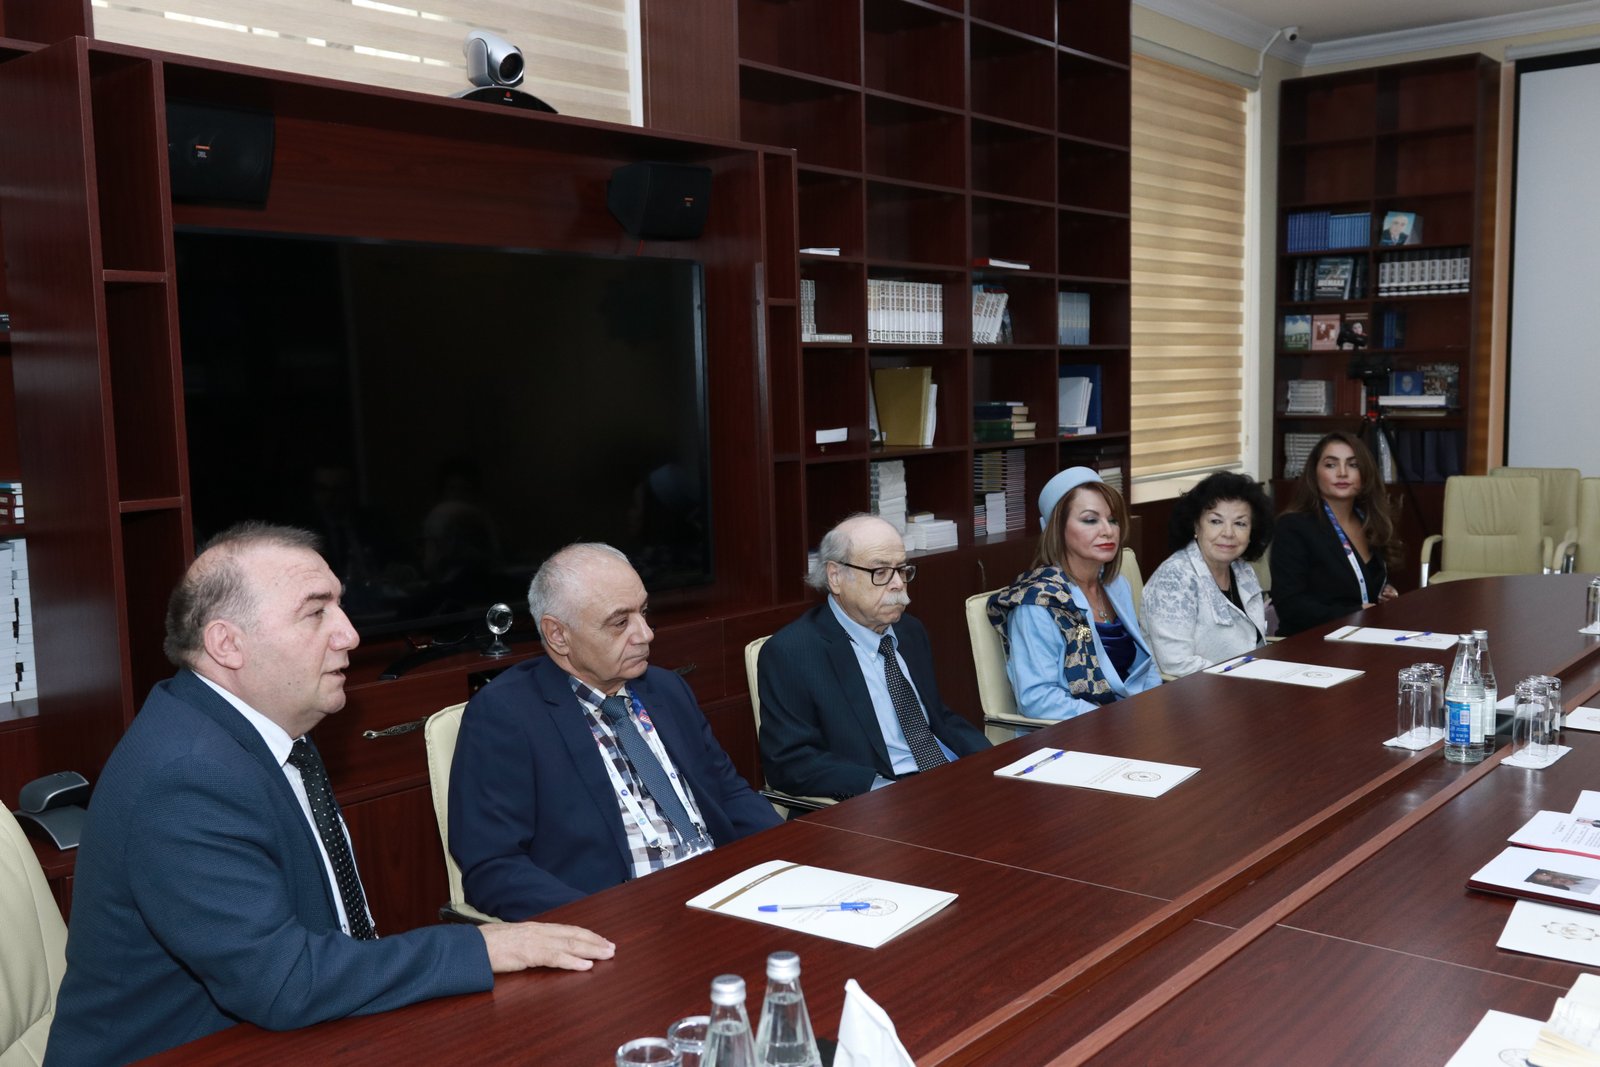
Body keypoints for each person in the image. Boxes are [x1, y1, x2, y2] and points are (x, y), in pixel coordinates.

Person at [46, 524, 614, 1067]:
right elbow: (284, 981)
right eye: (316, 612)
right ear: (227, 644)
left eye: (339, 607)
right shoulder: (186, 776)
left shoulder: (270, 727)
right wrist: (485, 948)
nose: (349, 634)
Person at [449, 543, 781, 920]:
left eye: (644, 612)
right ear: (558, 635)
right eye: (620, 623)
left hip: (724, 891)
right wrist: (600, 920)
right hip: (623, 918)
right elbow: (494, 868)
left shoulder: (665, 688)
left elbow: (729, 792)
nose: (646, 634)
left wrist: (790, 856)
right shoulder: (506, 715)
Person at [757, 514, 990, 801]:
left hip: (947, 776)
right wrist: (882, 790)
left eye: (902, 570)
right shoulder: (792, 653)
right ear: (835, 577)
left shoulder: (910, 631)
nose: (898, 584)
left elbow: (938, 718)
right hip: (880, 796)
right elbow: (789, 762)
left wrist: (993, 761)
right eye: (880, 572)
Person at [989, 467, 1159, 720]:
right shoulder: (1038, 603)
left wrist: (1156, 709)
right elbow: (1037, 698)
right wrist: (1112, 722)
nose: (1107, 530)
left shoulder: (1117, 585)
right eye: (1090, 520)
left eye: (1112, 519)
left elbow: (1144, 667)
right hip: (1075, 731)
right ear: (1057, 529)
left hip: (1130, 720)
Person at [1140, 472, 1274, 676]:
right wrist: (1240, 678)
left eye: (1240, 523)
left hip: (1246, 681)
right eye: (1216, 521)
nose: (1228, 533)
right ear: (1196, 525)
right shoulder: (1174, 577)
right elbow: (1176, 663)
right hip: (1194, 690)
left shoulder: (1242, 569)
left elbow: (1254, 643)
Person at [1270, 431, 1400, 637]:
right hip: (1309, 642)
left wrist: (1385, 593)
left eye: (1353, 464)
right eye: (1331, 465)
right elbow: (1290, 606)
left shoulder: (1369, 521)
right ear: (1315, 473)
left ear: (1365, 473)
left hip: (1362, 636)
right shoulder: (1293, 526)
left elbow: (1359, 584)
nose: (1342, 473)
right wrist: (1352, 613)